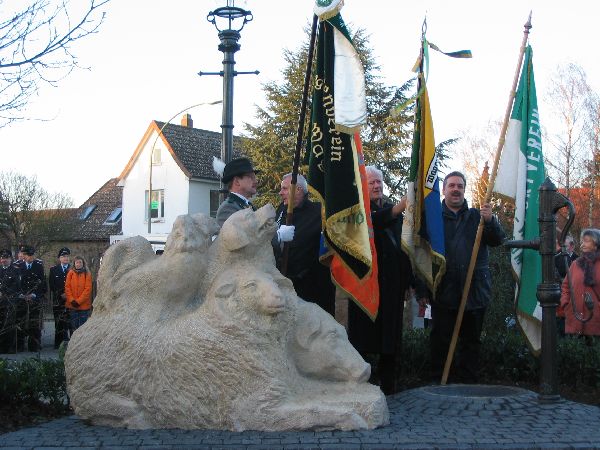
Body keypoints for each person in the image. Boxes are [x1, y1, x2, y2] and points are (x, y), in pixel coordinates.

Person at [420, 171, 505, 383]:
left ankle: (469, 382)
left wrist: (491, 220)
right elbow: (422, 255)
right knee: (441, 339)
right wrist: (422, 288)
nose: (456, 189)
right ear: (444, 190)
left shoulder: (478, 217)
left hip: (474, 291)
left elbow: (497, 240)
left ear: (464, 190)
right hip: (444, 290)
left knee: (471, 341)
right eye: (452, 186)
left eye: (460, 186)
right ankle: (438, 381)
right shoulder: (433, 219)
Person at [347, 166, 412, 394]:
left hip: (392, 287)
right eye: (372, 182)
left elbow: (404, 251)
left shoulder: (395, 215)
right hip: (366, 286)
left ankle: (389, 385)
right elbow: (372, 223)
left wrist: (409, 283)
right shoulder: (356, 211)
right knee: (364, 339)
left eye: (379, 182)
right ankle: (362, 385)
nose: (377, 186)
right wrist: (398, 208)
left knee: (390, 340)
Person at [272, 173, 334, 315]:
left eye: (285, 189)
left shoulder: (319, 212)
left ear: (298, 189)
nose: (280, 193)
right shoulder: (282, 209)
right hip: (285, 284)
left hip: (312, 290)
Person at [560, 228, 600, 339]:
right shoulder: (575, 264)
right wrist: (565, 303)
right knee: (573, 353)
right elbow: (565, 286)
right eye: (582, 241)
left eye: (586, 241)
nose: (582, 244)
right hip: (574, 319)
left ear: (596, 244)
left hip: (595, 322)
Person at [15, 245, 46, 352]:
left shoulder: (38, 266)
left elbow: (42, 283)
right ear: (24, 256)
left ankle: (34, 345)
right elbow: (16, 283)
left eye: (32, 255)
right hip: (21, 298)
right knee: (20, 321)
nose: (30, 257)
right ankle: (19, 345)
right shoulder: (18, 266)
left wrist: (33, 295)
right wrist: (21, 295)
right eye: (28, 255)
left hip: (34, 298)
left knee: (34, 322)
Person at [215, 157, 260, 227]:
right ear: (236, 181)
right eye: (251, 177)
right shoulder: (227, 209)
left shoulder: (248, 205)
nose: (256, 181)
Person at [48, 247, 72, 348]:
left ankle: (70, 344)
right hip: (58, 300)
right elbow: (52, 285)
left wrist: (68, 295)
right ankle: (58, 343)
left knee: (69, 322)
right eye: (63, 256)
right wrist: (60, 294)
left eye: (67, 256)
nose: (65, 258)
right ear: (59, 258)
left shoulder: (73, 269)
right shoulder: (54, 270)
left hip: (70, 300)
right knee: (58, 322)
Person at [0, 249, 20, 353]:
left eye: (6, 258)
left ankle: (11, 347)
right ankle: (2, 347)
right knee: (1, 323)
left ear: (10, 259)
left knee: (10, 324)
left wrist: (4, 293)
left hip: (11, 301)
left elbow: (16, 286)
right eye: (2, 258)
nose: (4, 260)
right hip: (0, 302)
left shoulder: (15, 270)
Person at [65, 256, 93, 331]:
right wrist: (72, 300)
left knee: (83, 329)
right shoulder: (70, 273)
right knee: (74, 328)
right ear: (74, 263)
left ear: (83, 263)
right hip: (72, 305)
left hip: (83, 306)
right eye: (77, 262)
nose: (78, 264)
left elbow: (88, 289)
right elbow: (67, 287)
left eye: (80, 262)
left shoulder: (87, 274)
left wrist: (79, 301)